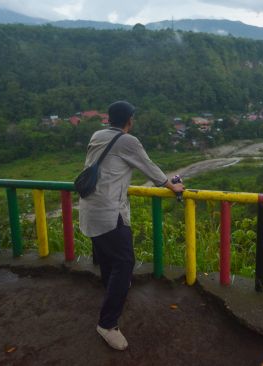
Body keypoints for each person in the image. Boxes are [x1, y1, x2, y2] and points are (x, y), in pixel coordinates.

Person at [79, 101, 185, 350]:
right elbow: (151, 169)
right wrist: (173, 186)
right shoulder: (128, 141)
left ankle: (112, 290)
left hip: (89, 206)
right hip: (109, 211)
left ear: (108, 119)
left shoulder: (97, 135)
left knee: (108, 259)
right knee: (125, 262)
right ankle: (107, 324)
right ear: (130, 120)